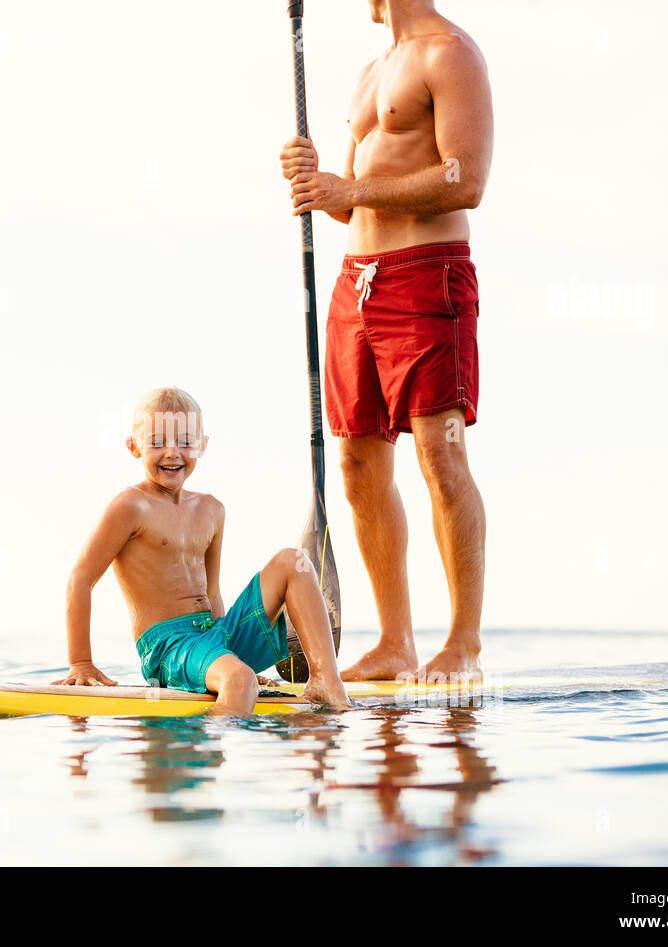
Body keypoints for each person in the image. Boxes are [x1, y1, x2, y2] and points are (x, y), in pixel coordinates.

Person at [278, 0, 493, 683]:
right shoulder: (372, 71)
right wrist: (314, 180)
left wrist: (353, 185)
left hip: (426, 276)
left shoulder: (450, 53)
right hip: (355, 281)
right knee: (356, 467)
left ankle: (463, 642)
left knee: (441, 454)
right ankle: (395, 641)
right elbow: (350, 201)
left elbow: (467, 179)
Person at [53, 387, 352, 716]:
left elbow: (211, 592)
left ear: (202, 445)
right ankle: (217, 746)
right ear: (134, 447)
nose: (172, 453)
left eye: (184, 441)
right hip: (170, 647)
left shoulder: (212, 510)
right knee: (241, 681)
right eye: (157, 442)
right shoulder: (130, 506)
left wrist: (228, 657)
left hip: (215, 635)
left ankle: (326, 679)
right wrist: (80, 662)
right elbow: (79, 580)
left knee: (294, 561)